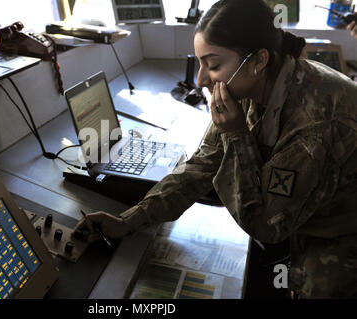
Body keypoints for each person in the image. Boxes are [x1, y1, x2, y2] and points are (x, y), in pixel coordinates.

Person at [73, 0, 357, 298]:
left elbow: (266, 227)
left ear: (258, 60)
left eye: (213, 65)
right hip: (306, 214)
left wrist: (236, 134)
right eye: (200, 63)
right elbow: (202, 165)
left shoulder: (314, 124)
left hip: (339, 234)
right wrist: (130, 220)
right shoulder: (254, 82)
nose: (200, 80)